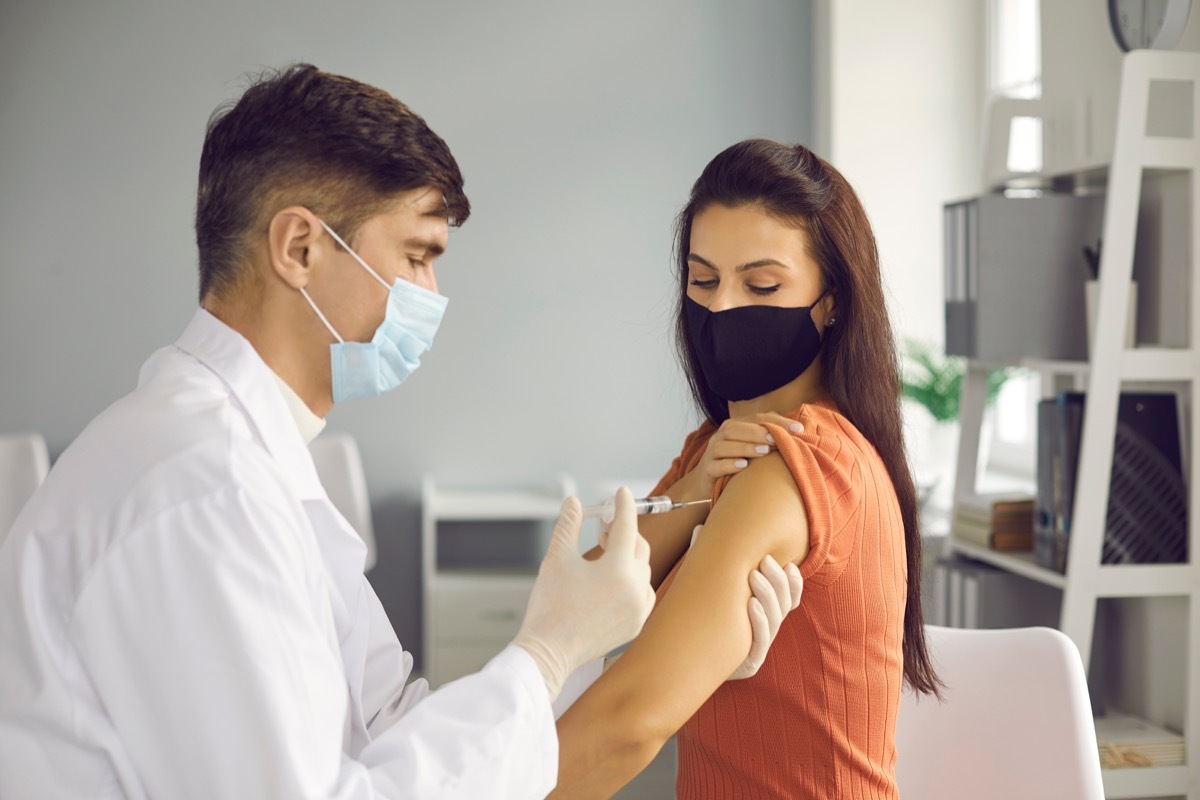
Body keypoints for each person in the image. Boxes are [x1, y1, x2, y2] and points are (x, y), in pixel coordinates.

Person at [0, 67, 802, 799]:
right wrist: (549, 652)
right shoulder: (202, 490)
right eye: (417, 256)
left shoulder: (248, 461)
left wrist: (583, 644)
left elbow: (393, 733)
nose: (432, 294)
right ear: (301, 248)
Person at [550, 139, 942, 799]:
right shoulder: (718, 450)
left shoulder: (798, 465)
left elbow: (629, 721)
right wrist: (692, 492)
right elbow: (576, 615)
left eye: (760, 284)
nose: (723, 307)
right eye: (704, 281)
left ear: (833, 300)